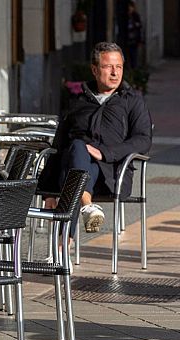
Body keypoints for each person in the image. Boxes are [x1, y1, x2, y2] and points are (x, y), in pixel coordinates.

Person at [39, 42, 152, 234]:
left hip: (112, 174)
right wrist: (48, 192)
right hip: (74, 170)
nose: (115, 73)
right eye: (108, 67)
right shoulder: (78, 102)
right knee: (76, 151)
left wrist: (105, 153)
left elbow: (143, 139)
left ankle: (63, 246)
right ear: (94, 69)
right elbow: (58, 145)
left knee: (74, 172)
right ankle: (87, 206)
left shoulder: (132, 101)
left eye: (119, 67)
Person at [126, 1, 143, 69]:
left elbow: (139, 27)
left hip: (134, 40)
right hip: (127, 39)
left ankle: (134, 69)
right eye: (129, 7)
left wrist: (139, 40)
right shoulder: (125, 16)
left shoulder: (135, 16)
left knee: (134, 56)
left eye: (131, 7)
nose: (130, 9)